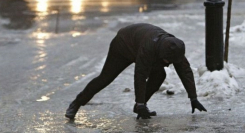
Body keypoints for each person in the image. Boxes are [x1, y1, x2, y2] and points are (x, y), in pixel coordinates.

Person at [65, 23, 207, 120]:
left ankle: (139, 106)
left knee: (160, 75)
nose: (169, 64)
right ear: (161, 54)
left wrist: (193, 98)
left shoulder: (174, 48)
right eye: (167, 62)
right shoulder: (149, 49)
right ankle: (77, 103)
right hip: (123, 45)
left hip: (139, 41)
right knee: (105, 78)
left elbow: (185, 71)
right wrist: (140, 103)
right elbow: (140, 75)